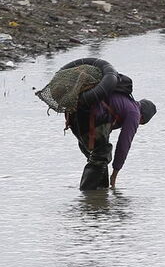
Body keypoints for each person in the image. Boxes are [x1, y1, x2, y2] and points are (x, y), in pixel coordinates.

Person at [58, 58, 157, 190]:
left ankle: (99, 197)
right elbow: (124, 143)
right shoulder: (134, 113)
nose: (138, 124)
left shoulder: (124, 100)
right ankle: (88, 194)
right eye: (141, 123)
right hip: (89, 119)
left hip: (75, 116)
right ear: (143, 118)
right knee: (102, 154)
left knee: (99, 158)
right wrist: (115, 173)